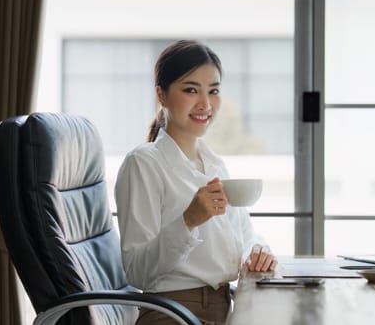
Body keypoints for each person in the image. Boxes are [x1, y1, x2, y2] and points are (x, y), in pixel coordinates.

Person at [115, 40, 277, 325]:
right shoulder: (143, 164)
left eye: (213, 91)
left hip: (225, 306)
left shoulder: (214, 164)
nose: (205, 104)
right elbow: (137, 272)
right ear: (161, 95)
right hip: (171, 313)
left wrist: (257, 251)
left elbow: (244, 234)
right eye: (190, 90)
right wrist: (188, 220)